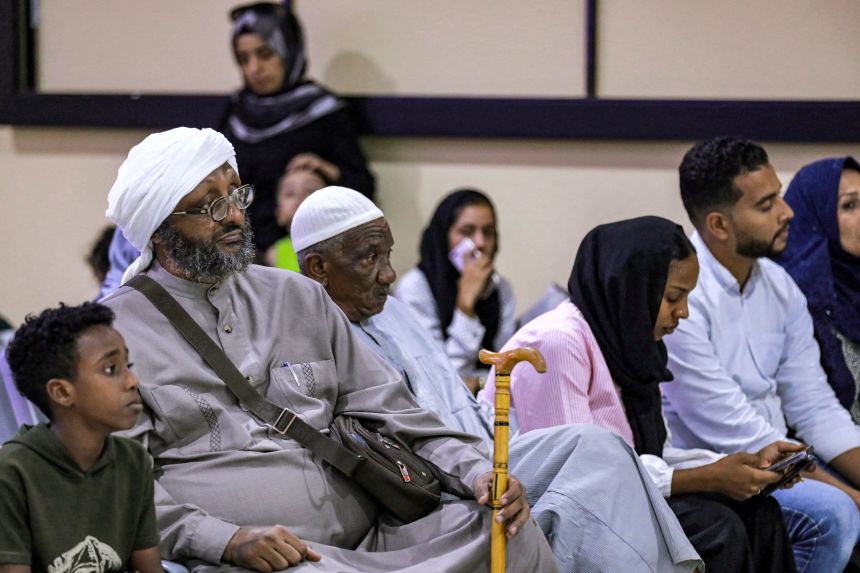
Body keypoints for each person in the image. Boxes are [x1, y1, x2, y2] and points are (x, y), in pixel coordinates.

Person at [100, 127, 557, 572]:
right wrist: (226, 542)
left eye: (237, 196)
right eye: (211, 206)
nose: (235, 217)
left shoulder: (298, 297)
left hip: (376, 538)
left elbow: (398, 414)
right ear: (159, 230)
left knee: (504, 531)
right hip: (265, 560)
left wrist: (478, 473)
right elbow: (120, 488)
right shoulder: (113, 335)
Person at [291, 186, 705, 572]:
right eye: (369, 258)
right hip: (434, 483)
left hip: (486, 449)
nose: (388, 274)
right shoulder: (311, 339)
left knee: (595, 443)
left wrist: (489, 444)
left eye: (388, 255)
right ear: (318, 268)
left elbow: (456, 393)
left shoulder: (395, 313)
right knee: (597, 484)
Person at [482, 216, 801, 573]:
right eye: (673, 297)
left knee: (761, 514)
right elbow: (581, 477)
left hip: (618, 501)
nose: (683, 312)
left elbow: (648, 456)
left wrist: (743, 464)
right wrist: (711, 476)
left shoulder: (627, 347)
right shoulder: (557, 340)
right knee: (716, 527)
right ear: (633, 289)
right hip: (548, 515)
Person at [663, 137, 860, 573]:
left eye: (780, 197)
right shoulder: (681, 298)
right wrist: (854, 498)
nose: (787, 212)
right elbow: (736, 432)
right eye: (767, 204)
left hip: (781, 464)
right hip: (721, 473)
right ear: (719, 224)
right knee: (835, 514)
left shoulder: (779, 284)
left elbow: (815, 406)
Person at [0, 302, 162, 572]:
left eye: (128, 364)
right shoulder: (12, 474)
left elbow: (150, 568)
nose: (133, 380)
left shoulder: (133, 460)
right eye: (111, 369)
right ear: (62, 392)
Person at [223, 1, 374, 255]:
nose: (254, 69)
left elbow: (364, 189)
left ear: (289, 51)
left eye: (265, 54)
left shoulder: (324, 112)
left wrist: (328, 170)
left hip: (305, 251)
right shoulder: (236, 112)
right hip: (237, 250)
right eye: (243, 58)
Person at [396, 189, 516, 390]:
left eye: (488, 232)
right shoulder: (415, 288)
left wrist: (479, 383)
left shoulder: (501, 288)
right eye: (467, 232)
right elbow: (440, 379)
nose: (480, 243)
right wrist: (465, 307)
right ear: (444, 237)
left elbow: (506, 367)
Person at [777, 157, 860, 422]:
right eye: (849, 205)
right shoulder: (794, 298)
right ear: (817, 215)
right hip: (827, 453)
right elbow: (811, 417)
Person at [264, 164, 328, 270]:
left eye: (310, 190)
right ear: (279, 215)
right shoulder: (274, 254)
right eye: (290, 193)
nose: (300, 195)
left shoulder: (340, 244)